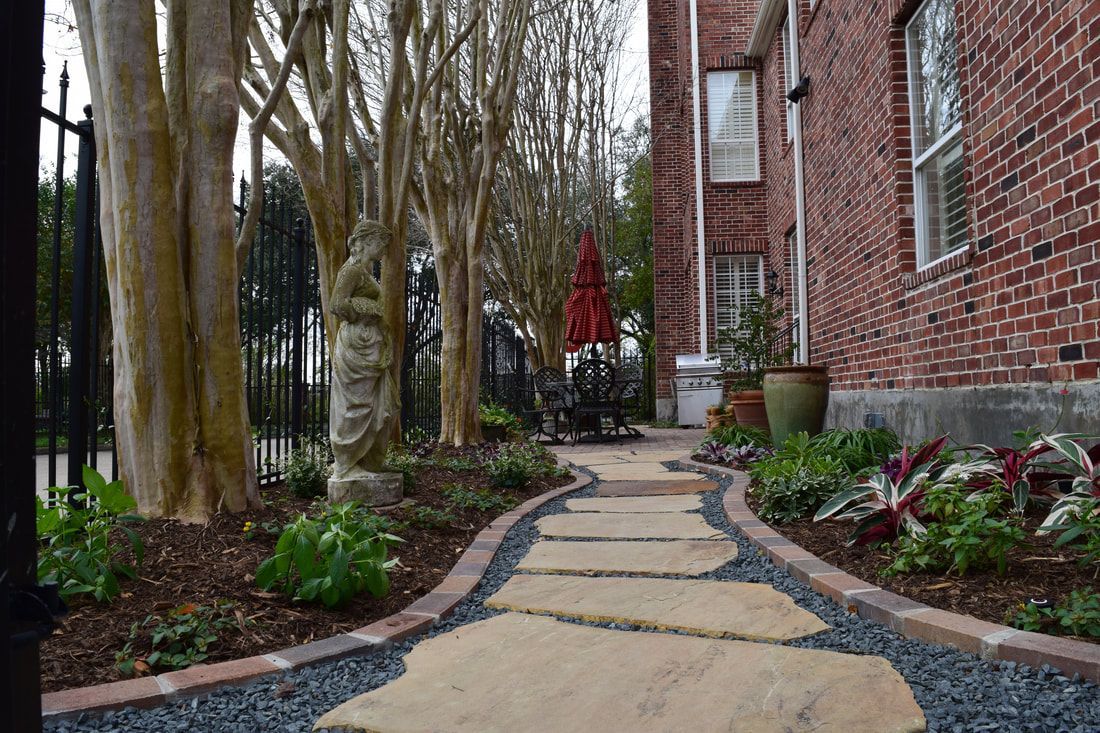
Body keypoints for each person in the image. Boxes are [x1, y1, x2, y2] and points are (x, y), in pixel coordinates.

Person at [328, 220, 397, 480]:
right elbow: (337, 304)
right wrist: (366, 308)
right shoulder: (352, 271)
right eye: (381, 244)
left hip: (370, 344)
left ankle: (370, 462)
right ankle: (346, 465)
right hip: (356, 345)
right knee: (357, 403)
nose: (383, 250)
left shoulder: (365, 273)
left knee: (380, 404)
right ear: (366, 241)